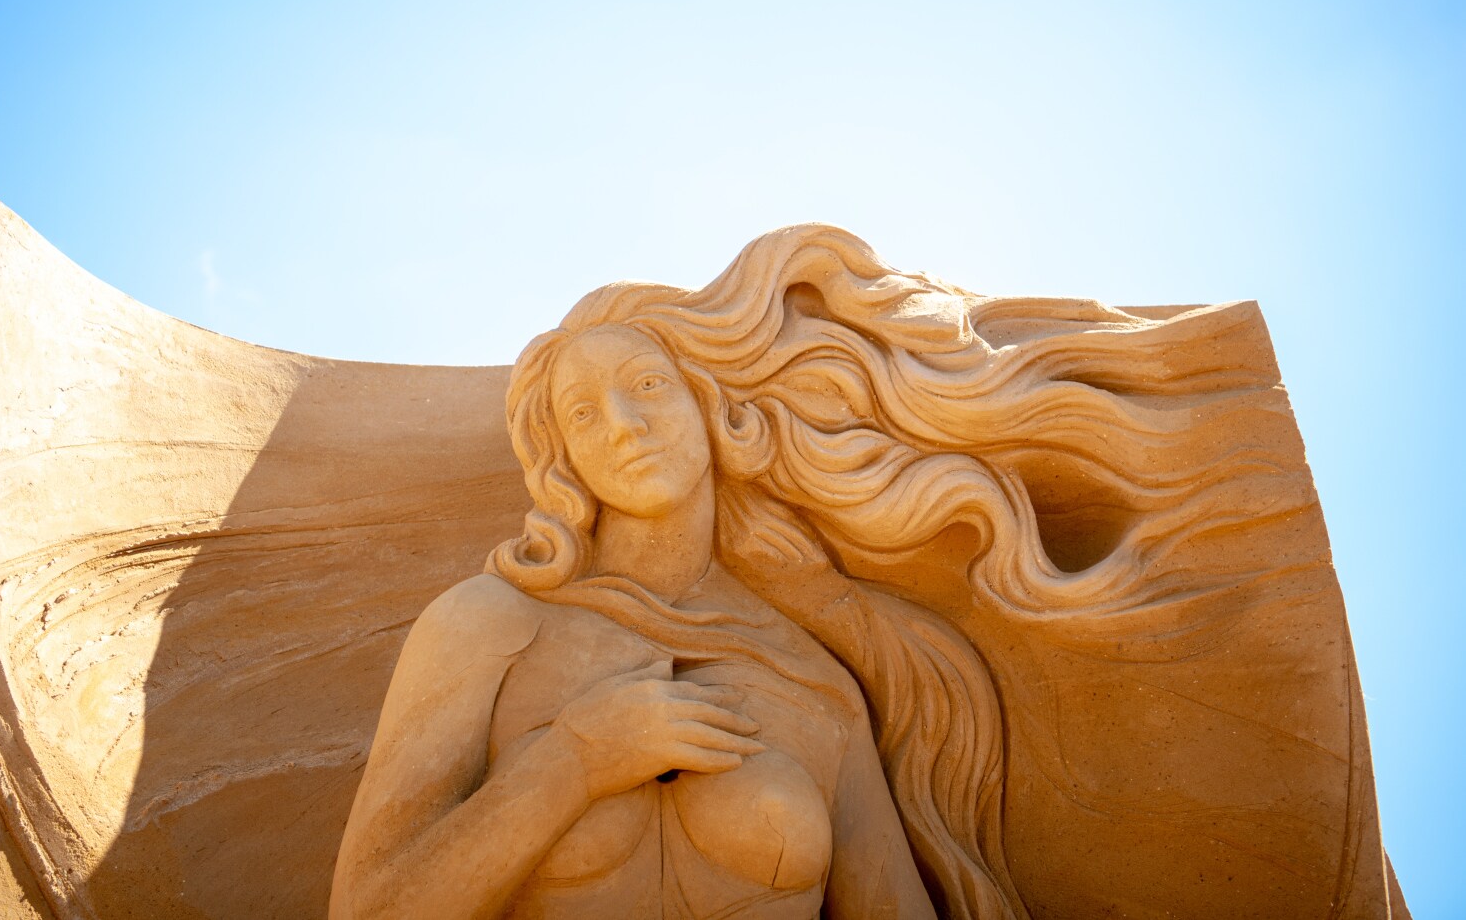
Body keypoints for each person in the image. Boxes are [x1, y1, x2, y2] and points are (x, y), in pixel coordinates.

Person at [333, 222, 1252, 919]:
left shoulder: (814, 688)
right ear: (562, 459)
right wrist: (572, 763)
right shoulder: (491, 624)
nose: (622, 422)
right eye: (583, 412)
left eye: (648, 386)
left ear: (710, 406)